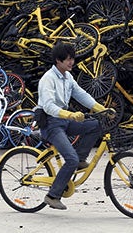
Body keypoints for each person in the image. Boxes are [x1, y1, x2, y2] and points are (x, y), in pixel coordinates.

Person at [35, 41, 114, 210]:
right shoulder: (48, 79)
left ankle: (80, 160)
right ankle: (52, 195)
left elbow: (81, 94)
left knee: (94, 125)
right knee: (70, 159)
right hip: (50, 124)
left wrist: (102, 109)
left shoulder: (67, 77)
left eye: (72, 58)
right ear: (58, 60)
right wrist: (70, 114)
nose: (71, 62)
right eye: (68, 59)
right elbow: (48, 106)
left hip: (63, 121)